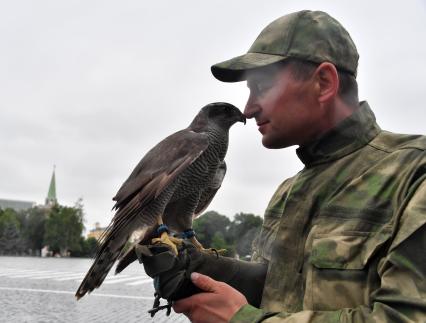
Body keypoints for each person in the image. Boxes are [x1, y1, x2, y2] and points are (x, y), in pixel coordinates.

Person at [142, 10, 426, 322]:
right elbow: (282, 290)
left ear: (324, 82)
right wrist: (203, 270)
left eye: (261, 87)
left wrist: (241, 320)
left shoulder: (414, 174)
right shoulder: (288, 192)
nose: (248, 109)